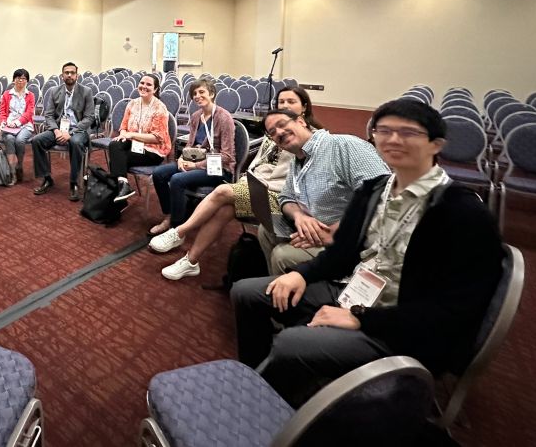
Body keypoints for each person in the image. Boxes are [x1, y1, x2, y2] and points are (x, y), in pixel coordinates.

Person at [231, 98, 504, 407]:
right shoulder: (374, 192)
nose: (393, 139)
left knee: (290, 343)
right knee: (247, 292)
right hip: (355, 291)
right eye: (383, 131)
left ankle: (270, 412)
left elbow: (453, 312)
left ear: (436, 144)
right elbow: (342, 255)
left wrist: (362, 319)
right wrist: (301, 274)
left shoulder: (463, 213)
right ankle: (258, 384)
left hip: (402, 327)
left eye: (408, 132)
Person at [150, 87, 318, 278]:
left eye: (291, 102)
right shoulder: (273, 133)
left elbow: (297, 181)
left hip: (278, 196)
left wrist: (198, 165)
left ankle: (179, 231)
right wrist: (185, 159)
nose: (285, 106)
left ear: (304, 107)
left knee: (222, 191)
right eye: (281, 102)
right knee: (224, 208)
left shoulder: (308, 137)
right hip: (253, 186)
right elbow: (258, 163)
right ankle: (191, 262)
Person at [259, 106, 390, 273]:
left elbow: (379, 197)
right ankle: (281, 286)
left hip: (351, 237)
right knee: (267, 230)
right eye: (272, 132)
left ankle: (294, 290)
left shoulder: (344, 145)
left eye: (282, 124)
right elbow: (286, 197)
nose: (279, 132)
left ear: (301, 122)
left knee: (282, 255)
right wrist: (299, 216)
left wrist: (335, 233)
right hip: (316, 228)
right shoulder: (298, 160)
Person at [150, 78, 235, 236]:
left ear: (212, 94)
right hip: (193, 161)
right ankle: (169, 216)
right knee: (159, 174)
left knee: (177, 179)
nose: (197, 96)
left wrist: (196, 166)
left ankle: (176, 229)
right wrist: (182, 158)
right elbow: (189, 144)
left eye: (201, 92)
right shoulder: (196, 116)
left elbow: (227, 155)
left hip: (218, 169)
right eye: (194, 93)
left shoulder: (224, 118)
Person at [32, 61, 95, 201]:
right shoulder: (55, 91)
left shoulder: (86, 92)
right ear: (62, 76)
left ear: (77, 76)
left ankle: (74, 183)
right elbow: (48, 115)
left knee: (75, 142)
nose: (69, 75)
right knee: (37, 140)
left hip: (78, 130)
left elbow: (89, 117)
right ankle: (47, 178)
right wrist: (56, 131)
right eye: (66, 73)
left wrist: (70, 133)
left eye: (72, 73)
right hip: (58, 129)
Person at [109, 74, 171, 198]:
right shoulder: (132, 104)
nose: (144, 86)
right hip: (134, 145)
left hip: (153, 150)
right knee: (114, 144)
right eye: (142, 83)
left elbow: (157, 138)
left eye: (149, 84)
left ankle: (117, 192)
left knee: (117, 160)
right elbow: (123, 127)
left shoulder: (160, 108)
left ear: (155, 89)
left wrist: (130, 134)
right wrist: (123, 135)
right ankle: (123, 185)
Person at [0, 69, 36, 183]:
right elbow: (2, 112)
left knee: (20, 140)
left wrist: (18, 122)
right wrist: (3, 122)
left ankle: (19, 165)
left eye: (24, 78)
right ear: (14, 80)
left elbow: (29, 113)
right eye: (18, 78)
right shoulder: (6, 94)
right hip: (9, 125)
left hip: (25, 125)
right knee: (9, 139)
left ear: (27, 81)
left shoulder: (30, 95)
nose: (21, 80)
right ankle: (12, 171)